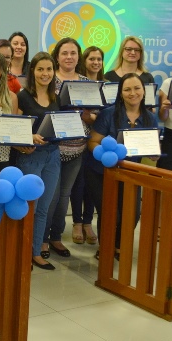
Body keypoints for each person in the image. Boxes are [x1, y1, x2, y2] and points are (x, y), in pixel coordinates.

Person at [87, 73, 158, 257]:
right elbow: (92, 142)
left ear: (144, 91)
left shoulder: (150, 118)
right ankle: (106, 248)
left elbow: (151, 149)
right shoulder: (108, 114)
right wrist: (104, 156)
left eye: (137, 88)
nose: (132, 93)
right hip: (102, 172)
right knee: (111, 212)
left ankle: (117, 246)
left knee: (132, 214)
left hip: (131, 173)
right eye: (127, 89)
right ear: (120, 93)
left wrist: (153, 154)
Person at [12, 52, 62, 270]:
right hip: (31, 157)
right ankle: (21, 252)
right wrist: (28, 136)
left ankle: (35, 253)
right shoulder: (23, 97)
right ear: (33, 71)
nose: (45, 73)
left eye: (49, 69)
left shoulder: (56, 97)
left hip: (53, 156)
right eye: (40, 69)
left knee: (43, 208)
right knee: (28, 207)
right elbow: (13, 129)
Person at [46, 38, 94, 258]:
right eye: (64, 53)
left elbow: (94, 117)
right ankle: (43, 238)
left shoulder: (86, 82)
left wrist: (85, 114)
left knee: (65, 196)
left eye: (73, 53)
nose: (69, 57)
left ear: (78, 56)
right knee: (51, 196)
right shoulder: (48, 79)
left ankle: (56, 237)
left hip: (77, 148)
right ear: (57, 56)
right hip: (53, 148)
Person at [69, 46, 105, 244]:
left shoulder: (107, 85)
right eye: (92, 58)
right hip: (78, 141)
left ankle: (87, 223)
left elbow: (105, 115)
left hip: (98, 143)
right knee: (79, 184)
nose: (95, 62)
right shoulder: (78, 82)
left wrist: (91, 117)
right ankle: (76, 221)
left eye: (99, 59)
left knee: (92, 186)